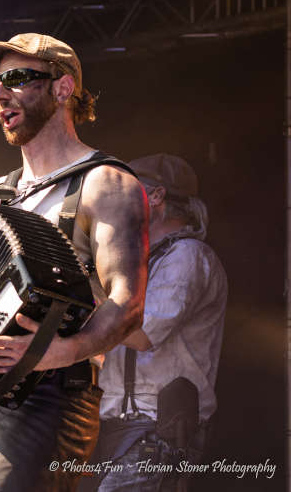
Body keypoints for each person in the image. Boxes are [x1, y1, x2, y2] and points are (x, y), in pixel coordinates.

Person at [0, 33, 148, 492]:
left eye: (15, 78)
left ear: (62, 88)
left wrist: (59, 352)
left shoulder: (105, 183)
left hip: (49, 398)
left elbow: (128, 304)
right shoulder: (0, 192)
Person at [80, 154, 227, 492]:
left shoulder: (188, 256)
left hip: (159, 427)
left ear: (156, 197)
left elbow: (143, 333)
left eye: (127, 194)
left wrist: (82, 291)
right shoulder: (141, 264)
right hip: (120, 425)